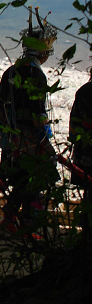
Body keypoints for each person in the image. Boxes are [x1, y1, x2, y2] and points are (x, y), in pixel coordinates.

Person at [0, 11, 59, 235]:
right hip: (31, 138)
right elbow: (38, 112)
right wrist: (44, 137)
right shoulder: (38, 76)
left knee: (22, 179)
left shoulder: (11, 71)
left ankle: (14, 219)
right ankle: (25, 221)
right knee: (34, 179)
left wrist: (6, 132)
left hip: (12, 136)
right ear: (42, 53)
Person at [69, 67, 92, 235]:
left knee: (88, 193)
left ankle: (85, 230)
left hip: (83, 154)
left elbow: (74, 126)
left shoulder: (83, 91)